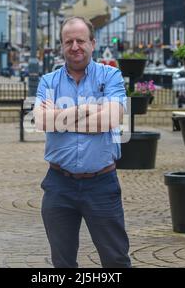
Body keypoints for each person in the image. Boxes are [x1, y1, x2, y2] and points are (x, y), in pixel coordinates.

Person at [34, 16, 131, 268]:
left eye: (80, 40)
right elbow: (41, 121)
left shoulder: (111, 76)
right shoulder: (48, 81)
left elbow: (110, 119)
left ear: (92, 43)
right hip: (59, 185)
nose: (75, 46)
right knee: (62, 262)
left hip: (101, 184)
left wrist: (60, 117)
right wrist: (85, 109)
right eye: (69, 42)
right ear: (61, 46)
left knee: (116, 259)